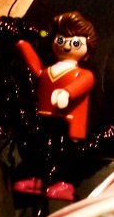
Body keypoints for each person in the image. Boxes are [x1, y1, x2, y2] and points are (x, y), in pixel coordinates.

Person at [16, 10, 97, 141]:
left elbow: (85, 82)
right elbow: (38, 69)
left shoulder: (83, 74)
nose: (67, 45)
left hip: (68, 122)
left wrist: (67, 93)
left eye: (76, 43)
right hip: (43, 118)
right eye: (60, 40)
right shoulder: (47, 71)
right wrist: (22, 44)